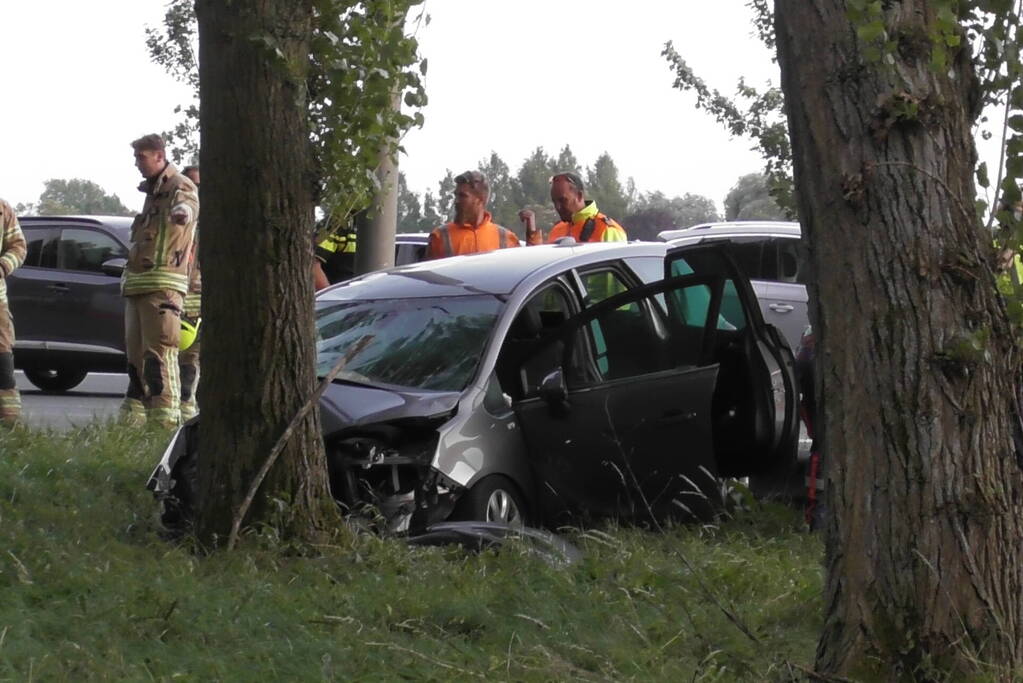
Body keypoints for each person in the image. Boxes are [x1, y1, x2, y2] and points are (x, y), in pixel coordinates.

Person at [120, 134, 199, 428]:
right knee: (137, 357)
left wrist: (183, 213)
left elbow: (187, 205)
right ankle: (141, 421)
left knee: (160, 355)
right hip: (139, 284)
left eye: (141, 157)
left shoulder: (180, 185)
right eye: (136, 157)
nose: (137, 163)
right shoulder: (153, 192)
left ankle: (165, 425)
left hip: (162, 284)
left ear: (159, 156)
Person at [426, 171, 519, 259]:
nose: (456, 201)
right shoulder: (440, 236)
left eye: (462, 196)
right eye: (456, 195)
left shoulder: (506, 238)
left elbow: (524, 270)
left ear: (480, 199)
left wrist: (532, 235)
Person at [519, 172, 627, 245]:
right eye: (554, 201)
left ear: (579, 196)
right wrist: (531, 233)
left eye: (563, 200)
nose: (557, 207)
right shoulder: (557, 230)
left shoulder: (608, 230)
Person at [0, 198, 27, 427]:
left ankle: (10, 425)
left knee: (3, 361)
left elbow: (18, 246)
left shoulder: (3, 209)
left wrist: (3, 266)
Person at [179, 165, 201, 421]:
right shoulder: (180, 216)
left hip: (202, 293)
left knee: (193, 355)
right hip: (180, 291)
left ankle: (187, 404)